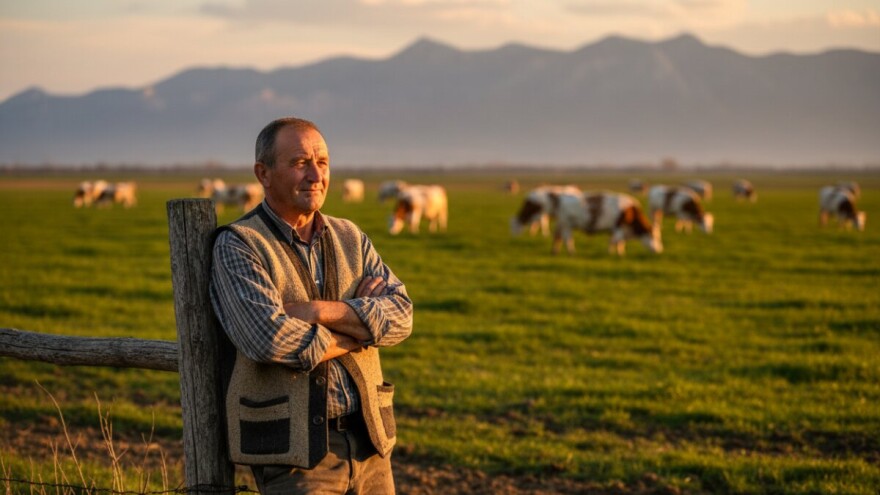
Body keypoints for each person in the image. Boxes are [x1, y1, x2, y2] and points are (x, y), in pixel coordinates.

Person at [210, 117, 413, 494]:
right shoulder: (239, 245)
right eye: (300, 163)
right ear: (263, 173)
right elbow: (269, 340)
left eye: (322, 162)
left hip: (370, 445)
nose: (315, 175)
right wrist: (358, 331)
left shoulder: (350, 235)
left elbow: (402, 315)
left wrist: (320, 311)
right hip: (296, 459)